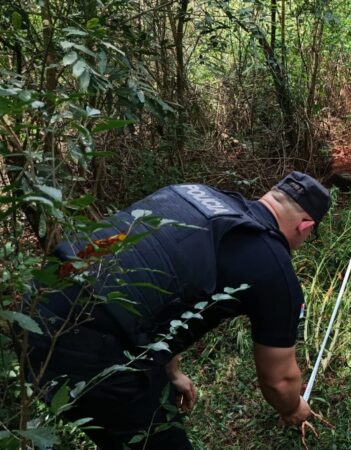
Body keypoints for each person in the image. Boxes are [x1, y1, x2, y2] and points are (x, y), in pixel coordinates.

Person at [21, 172, 331, 449]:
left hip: (38, 300)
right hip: (87, 342)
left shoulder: (194, 194)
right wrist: (292, 409)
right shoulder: (274, 266)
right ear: (306, 226)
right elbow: (278, 380)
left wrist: (171, 371)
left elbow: (162, 279)